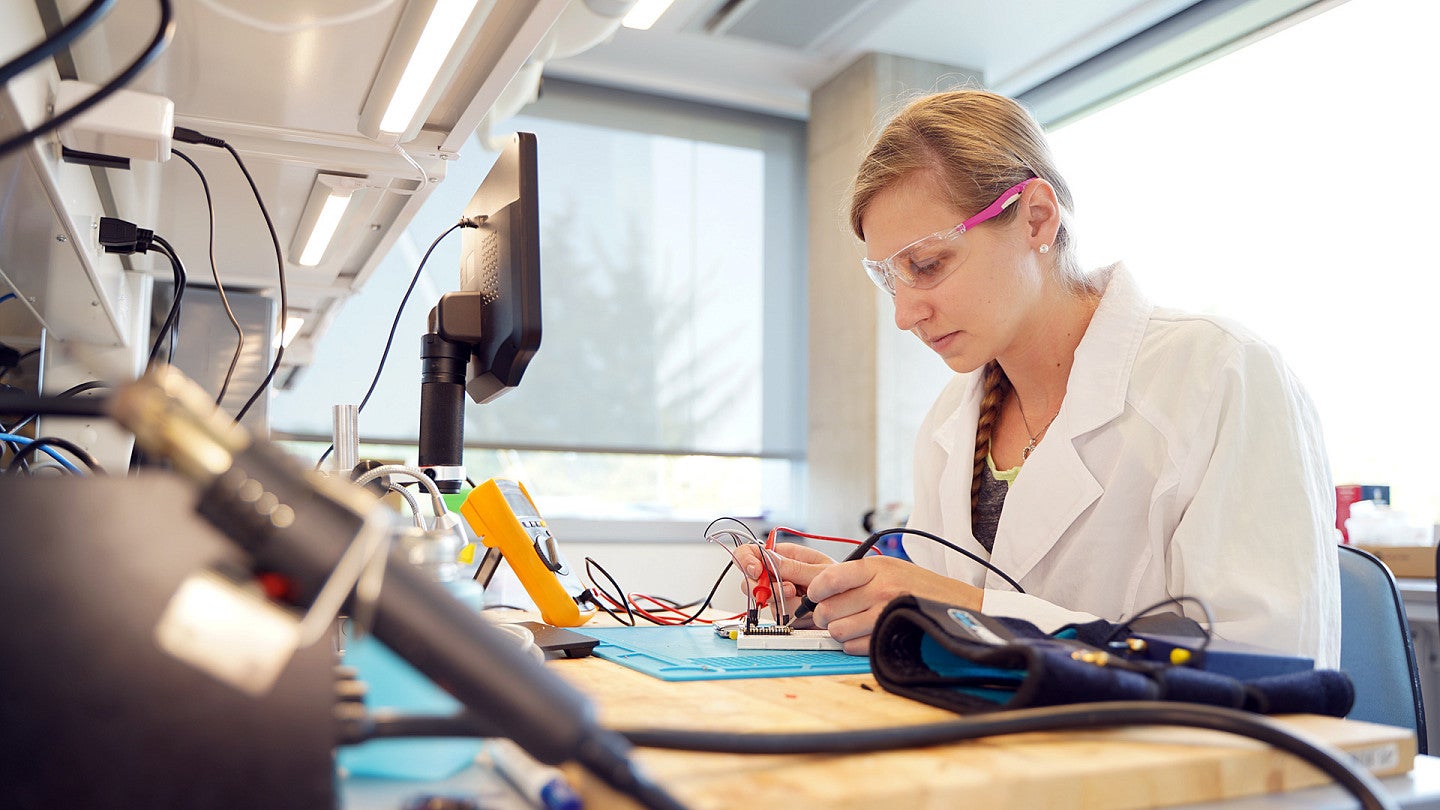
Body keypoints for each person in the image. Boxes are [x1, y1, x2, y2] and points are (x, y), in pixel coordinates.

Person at [739, 89, 1341, 668]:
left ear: (1036, 218)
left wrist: (966, 609)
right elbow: (934, 632)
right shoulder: (951, 422)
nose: (904, 314)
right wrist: (845, 603)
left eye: (927, 265)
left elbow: (1266, 662)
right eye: (890, 280)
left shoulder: (1220, 374)